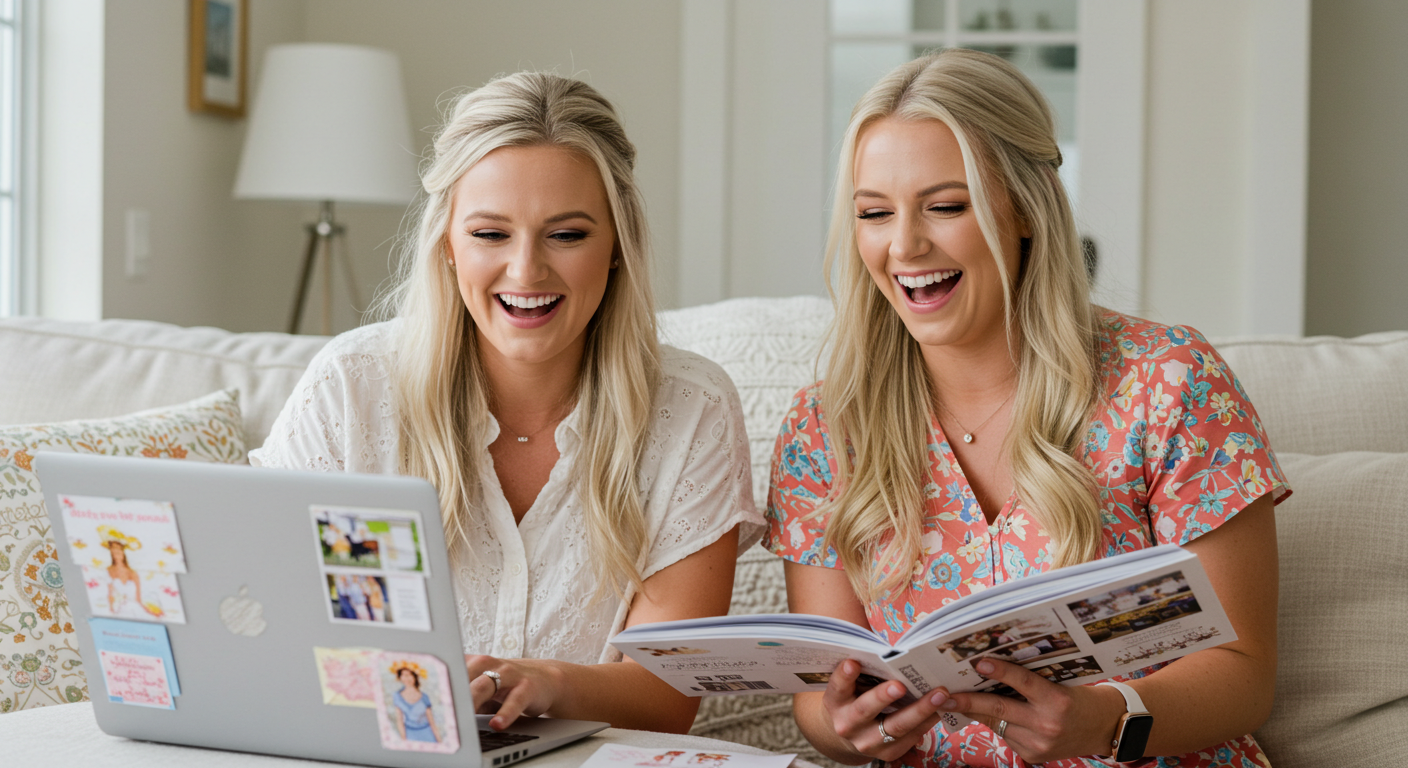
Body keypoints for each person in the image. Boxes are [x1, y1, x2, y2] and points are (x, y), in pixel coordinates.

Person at [764, 49, 1289, 767]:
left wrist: (1108, 718)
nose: (904, 245)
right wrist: (846, 724)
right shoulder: (824, 430)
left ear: (1025, 210)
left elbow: (1244, 671)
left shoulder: (1169, 381)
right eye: (874, 214)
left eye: (946, 206)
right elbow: (820, 700)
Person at [251, 71, 761, 734]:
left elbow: (667, 699)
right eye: (491, 234)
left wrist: (544, 682)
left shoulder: (692, 410)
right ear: (448, 247)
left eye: (568, 235)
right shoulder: (350, 388)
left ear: (616, 248)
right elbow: (270, 627)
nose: (526, 272)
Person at [99, 527, 155, 619]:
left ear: (123, 552)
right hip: (118, 609)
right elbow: (110, 594)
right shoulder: (109, 571)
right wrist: (111, 609)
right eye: (114, 551)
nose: (117, 553)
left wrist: (149, 611)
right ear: (111, 553)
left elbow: (138, 599)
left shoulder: (132, 573)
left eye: (119, 550)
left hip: (134, 608)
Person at [389, 662, 442, 744]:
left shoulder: (424, 697)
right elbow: (399, 720)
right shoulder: (397, 696)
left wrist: (439, 740)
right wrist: (404, 739)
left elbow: (432, 721)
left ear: (415, 677)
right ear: (400, 677)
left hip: (427, 733)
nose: (407, 678)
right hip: (410, 734)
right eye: (404, 675)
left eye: (410, 675)